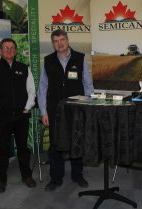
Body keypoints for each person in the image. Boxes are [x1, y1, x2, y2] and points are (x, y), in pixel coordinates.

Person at [37, 30, 94, 191]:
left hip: (76, 108)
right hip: (54, 110)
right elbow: (42, 87)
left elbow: (88, 84)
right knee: (55, 145)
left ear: (67, 40)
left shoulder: (80, 58)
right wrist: (43, 112)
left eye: (62, 39)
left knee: (77, 141)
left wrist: (87, 106)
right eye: (56, 41)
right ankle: (56, 178)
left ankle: (77, 175)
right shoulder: (48, 61)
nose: (59, 43)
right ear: (53, 43)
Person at [0, 38, 36, 193]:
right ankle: (1, 180)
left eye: (12, 48)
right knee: (3, 149)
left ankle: (27, 176)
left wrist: (27, 107)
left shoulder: (24, 68)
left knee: (23, 148)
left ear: (15, 51)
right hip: (2, 116)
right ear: (0, 50)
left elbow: (31, 91)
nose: (9, 50)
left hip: (21, 115)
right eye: (6, 48)